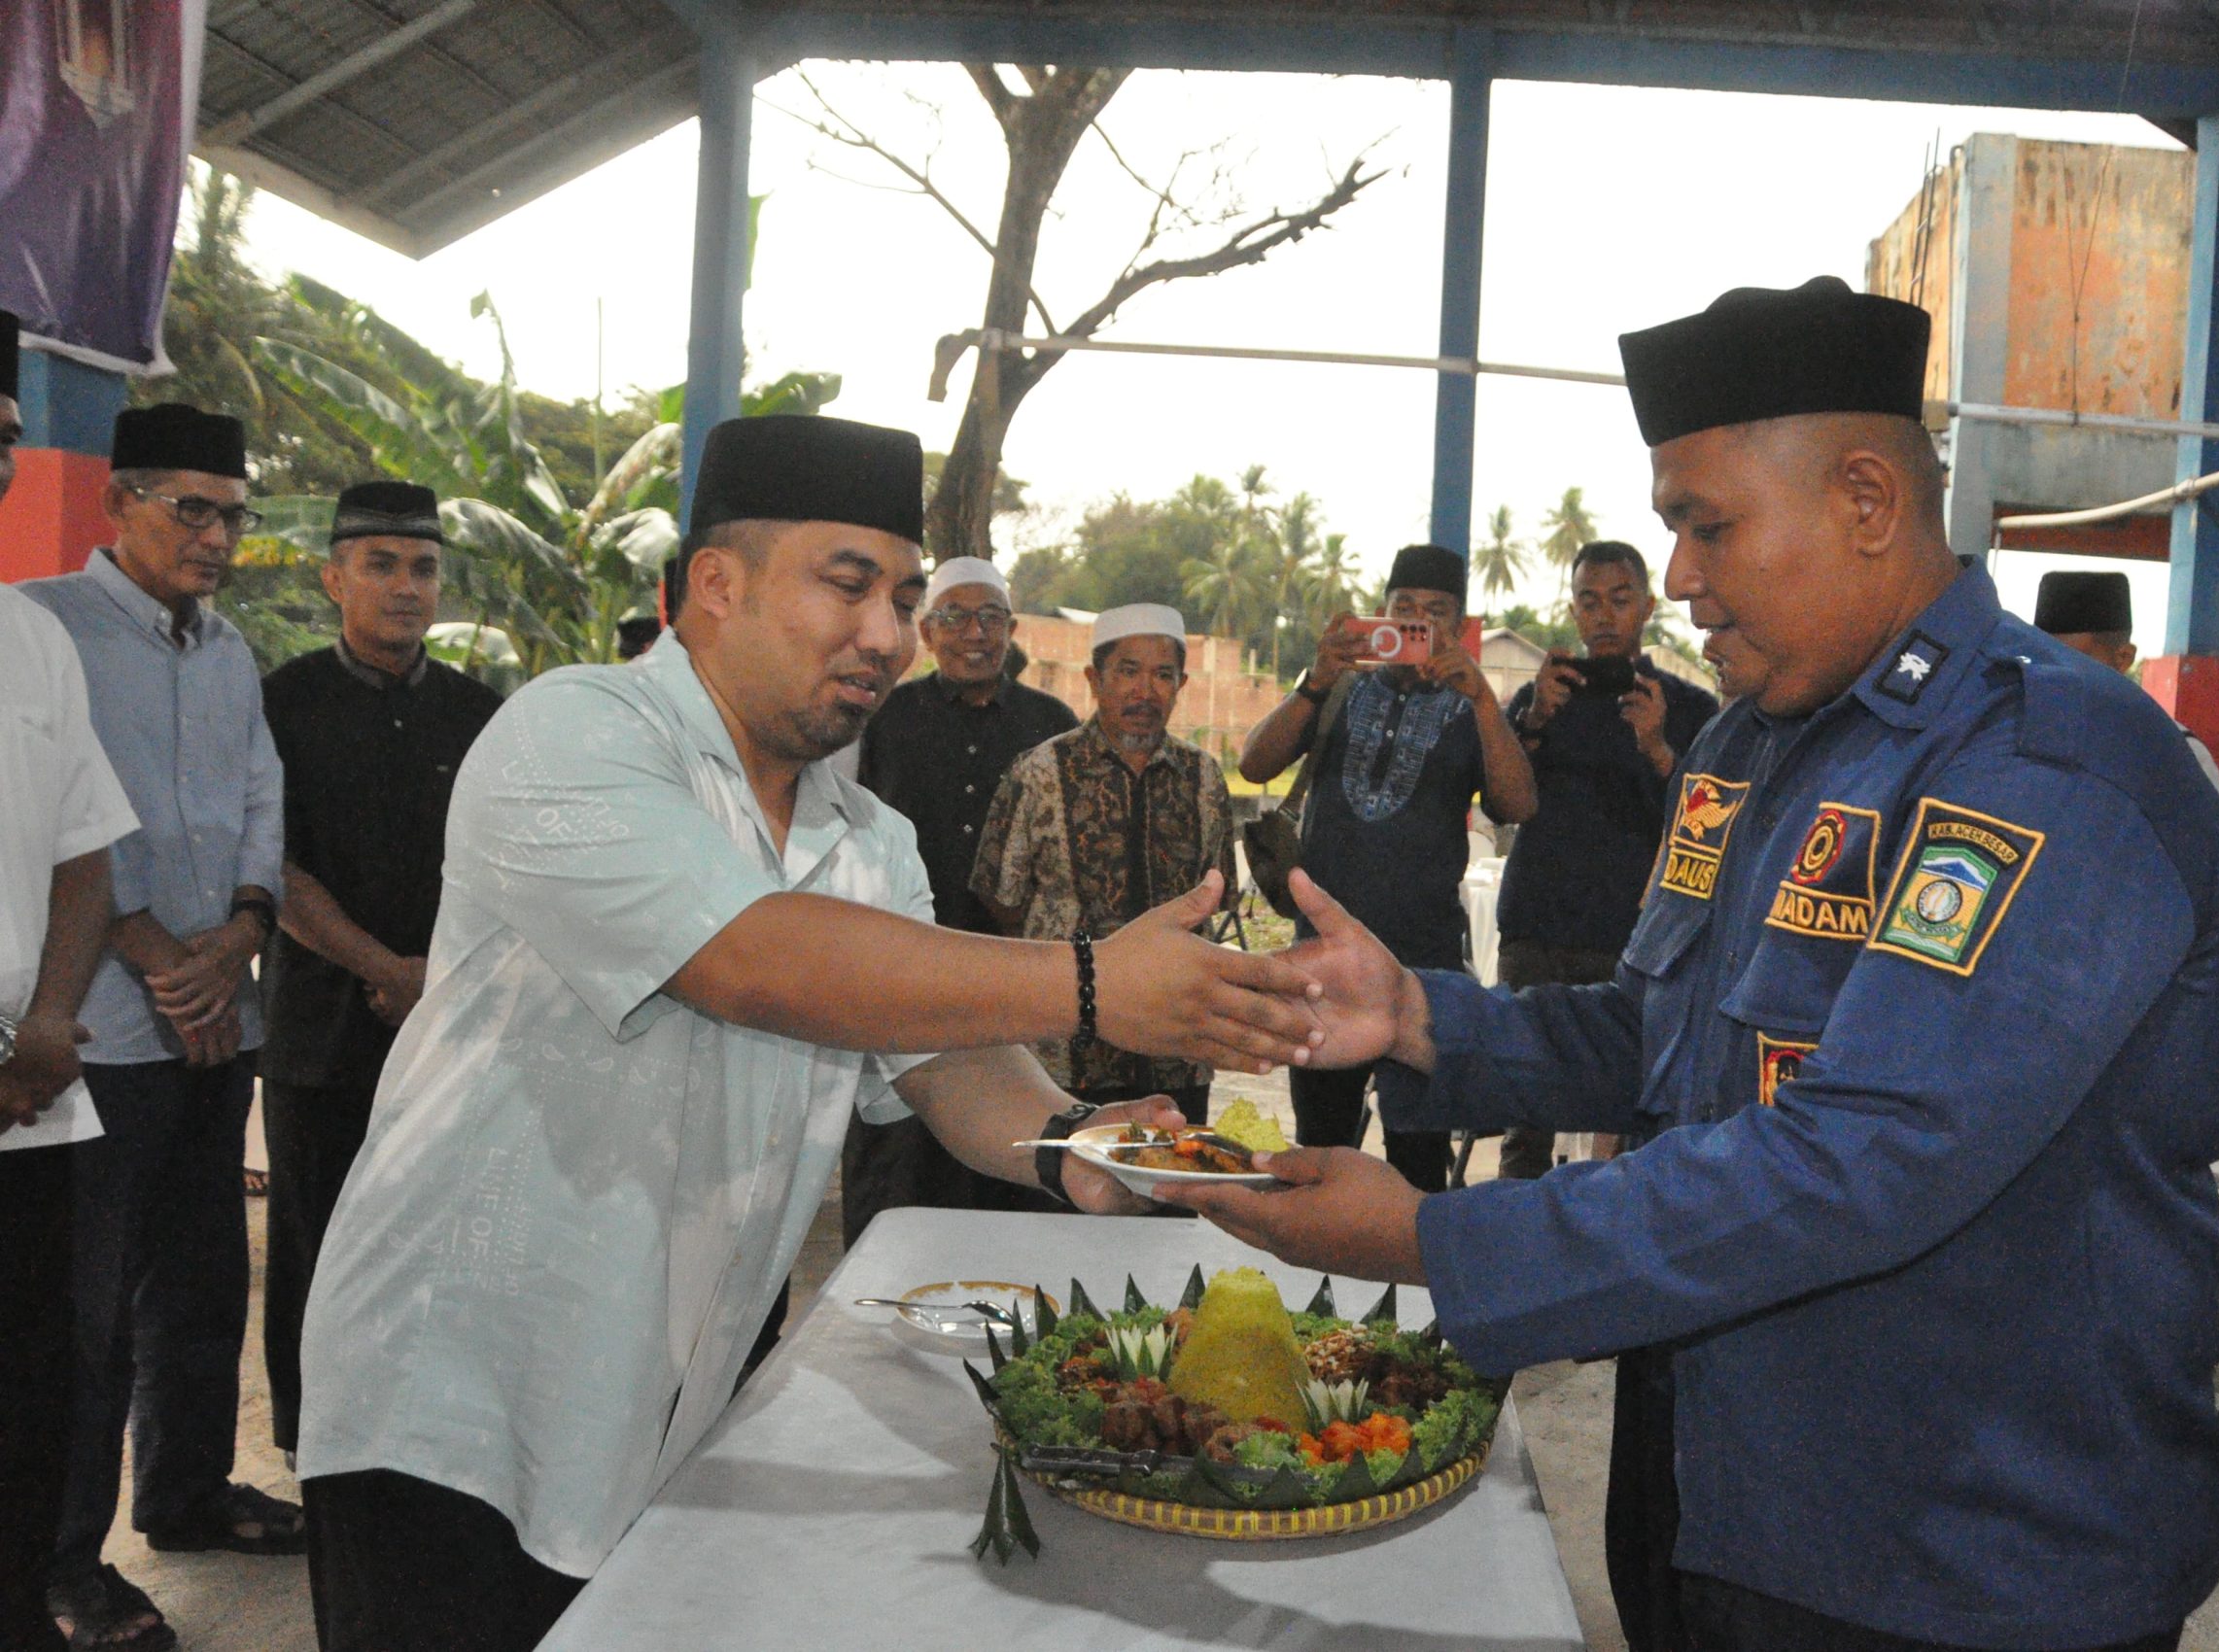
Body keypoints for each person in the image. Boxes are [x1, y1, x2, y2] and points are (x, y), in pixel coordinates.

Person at [1172, 277, 2219, 1652]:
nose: (1675, 576)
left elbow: (1868, 1157)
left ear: (1865, 499)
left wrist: (1436, 1239)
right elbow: (1663, 1040)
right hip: (1716, 1487)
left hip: (1962, 1551)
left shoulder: (2048, 764)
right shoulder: (1749, 746)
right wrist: (1424, 1026)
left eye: (1705, 523)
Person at [291, 415, 1319, 1652]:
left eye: (901, 594)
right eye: (847, 584)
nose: (886, 633)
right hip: (456, 1399)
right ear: (716, 583)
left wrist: (1069, 1136)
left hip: (680, 1397)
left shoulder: (868, 836)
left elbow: (931, 1047)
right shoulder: (578, 733)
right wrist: (1095, 980)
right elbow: (753, 959)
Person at [22, 403, 301, 1651]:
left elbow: (257, 791)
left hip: (212, 1009)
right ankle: (63, 1563)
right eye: (189, 507)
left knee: (199, 1274)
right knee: (81, 1309)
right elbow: (55, 818)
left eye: (232, 513)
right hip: (98, 1028)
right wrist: (146, 952)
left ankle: (185, 1493)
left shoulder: (230, 649)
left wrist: (241, 932)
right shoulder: (43, 630)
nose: (215, 533)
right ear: (116, 503)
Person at [256, 482, 503, 1463]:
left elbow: (504, 862)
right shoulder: (280, 703)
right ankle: (317, 1449)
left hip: (453, 1027)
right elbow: (271, 863)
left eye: (424, 567)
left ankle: (424, 1445)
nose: (407, 586)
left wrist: (435, 977)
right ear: (333, 578)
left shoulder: (480, 713)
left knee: (443, 1242)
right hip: (323, 1027)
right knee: (320, 1247)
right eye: (382, 564)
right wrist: (380, 966)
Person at [1236, 543, 1537, 1191]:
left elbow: (1518, 804)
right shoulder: (1342, 688)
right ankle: (1315, 1283)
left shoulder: (1471, 708)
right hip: (1323, 969)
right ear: (1380, 615)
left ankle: (1415, 1286)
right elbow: (1255, 765)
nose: (1415, 625)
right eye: (1404, 610)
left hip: (1421, 972)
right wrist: (1315, 678)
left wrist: (1482, 698)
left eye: (1434, 614)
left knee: (1418, 1164)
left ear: (1457, 628)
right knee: (1319, 1154)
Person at [1, 305, 144, 1652]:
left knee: (34, 1386)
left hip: (32, 1097)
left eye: (3, 441)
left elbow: (83, 855)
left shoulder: (28, 640)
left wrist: (50, 1022)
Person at [843, 556, 1077, 1242]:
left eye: (991, 617)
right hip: (901, 979)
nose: (975, 633)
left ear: (1010, 629)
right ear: (930, 631)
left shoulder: (1051, 720)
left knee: (1016, 1155)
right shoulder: (884, 717)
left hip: (1019, 983)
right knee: (903, 1167)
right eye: (954, 617)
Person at [1496, 540, 1716, 1180]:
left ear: (1647, 606)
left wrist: (1657, 748)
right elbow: (1503, 803)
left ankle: (1606, 1247)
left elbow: (1705, 828)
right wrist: (1535, 716)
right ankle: (1514, 1251)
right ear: (1572, 611)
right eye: (1590, 602)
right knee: (1523, 1110)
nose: (1604, 616)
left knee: (1625, 1116)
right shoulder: (1542, 699)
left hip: (1636, 940)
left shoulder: (1690, 708)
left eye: (1620, 600)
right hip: (1537, 928)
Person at [973, 602, 1239, 1126]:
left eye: (1162, 675)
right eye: (1128, 671)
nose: (1145, 691)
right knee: (1066, 1188)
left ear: (1181, 683)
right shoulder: (1041, 770)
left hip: (1176, 1045)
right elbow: (1000, 899)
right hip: (1065, 1044)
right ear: (1095, 679)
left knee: (1170, 1187)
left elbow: (1216, 892)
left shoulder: (1203, 777)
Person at [2031, 569, 2219, 793]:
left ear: (2124, 657)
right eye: (2045, 659)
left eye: (2076, 662)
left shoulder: (2175, 753)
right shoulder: (2015, 736)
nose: (2059, 674)